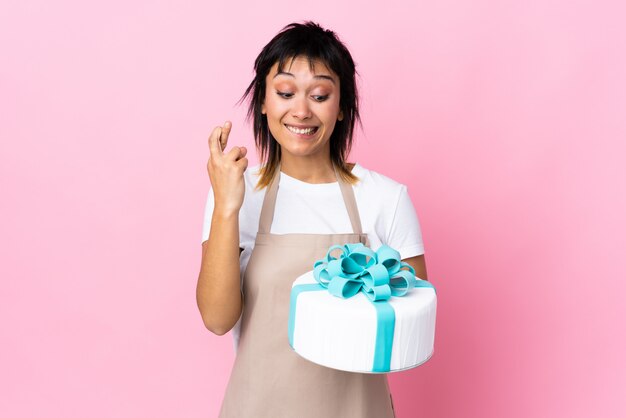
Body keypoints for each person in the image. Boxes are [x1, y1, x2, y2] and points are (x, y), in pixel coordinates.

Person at [196, 21, 428, 418]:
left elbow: (411, 328)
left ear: (341, 108)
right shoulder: (238, 193)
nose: (301, 110)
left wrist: (368, 283)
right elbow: (217, 320)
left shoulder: (385, 199)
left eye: (320, 94)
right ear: (264, 102)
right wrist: (226, 207)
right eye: (285, 92)